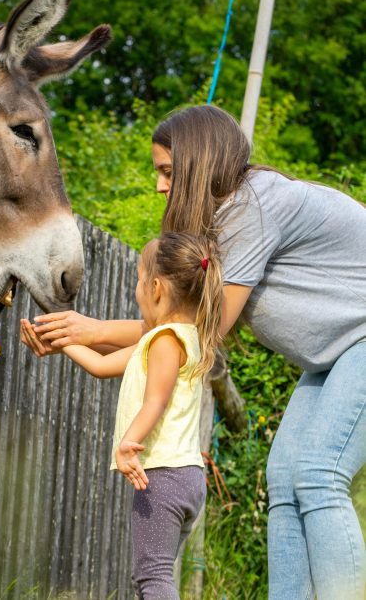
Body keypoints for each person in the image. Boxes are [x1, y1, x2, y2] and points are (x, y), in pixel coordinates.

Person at [22, 105, 366, 600]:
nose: (161, 186)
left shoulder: (254, 207)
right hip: (333, 354)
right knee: (286, 477)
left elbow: (201, 330)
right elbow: (174, 333)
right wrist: (77, 336)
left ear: (198, 162)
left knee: (317, 473)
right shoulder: (227, 218)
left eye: (167, 171)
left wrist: (91, 330)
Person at [22, 231, 224, 599]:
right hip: (185, 477)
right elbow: (100, 364)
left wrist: (128, 444)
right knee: (154, 576)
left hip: (163, 476)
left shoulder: (165, 341)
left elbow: (155, 401)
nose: (136, 289)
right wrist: (61, 341)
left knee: (153, 579)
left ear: (157, 288)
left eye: (138, 279)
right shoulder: (179, 338)